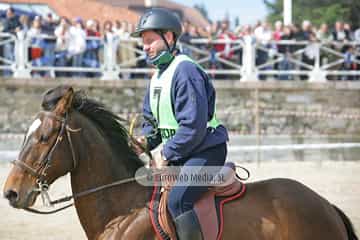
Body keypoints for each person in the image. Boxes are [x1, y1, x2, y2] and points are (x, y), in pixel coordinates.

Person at [130, 8, 229, 240]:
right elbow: (151, 121)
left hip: (206, 151)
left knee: (178, 200)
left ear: (170, 37)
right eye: (143, 42)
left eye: (150, 40)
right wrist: (145, 140)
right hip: (181, 153)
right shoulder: (156, 76)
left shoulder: (186, 71)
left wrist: (165, 152)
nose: (145, 47)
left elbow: (193, 127)